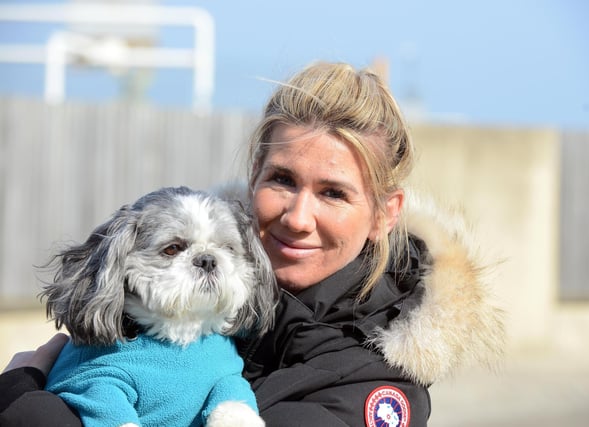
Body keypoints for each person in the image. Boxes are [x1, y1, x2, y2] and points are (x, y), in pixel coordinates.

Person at [0, 61, 504, 426]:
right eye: (282, 180)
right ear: (252, 177)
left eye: (333, 193)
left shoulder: (376, 387)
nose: (298, 218)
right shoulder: (177, 293)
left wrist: (23, 394)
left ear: (383, 214)